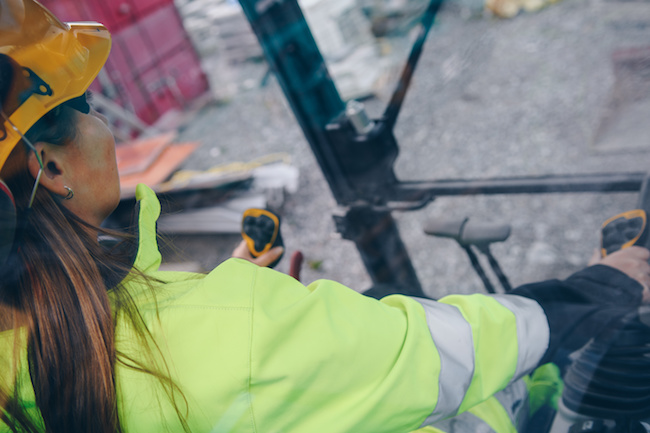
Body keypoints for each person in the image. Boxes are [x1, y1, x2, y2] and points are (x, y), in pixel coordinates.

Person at [1, 1, 649, 432]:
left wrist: (209, 295)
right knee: (506, 386)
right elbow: (443, 350)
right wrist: (600, 285)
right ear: (48, 167)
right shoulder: (229, 332)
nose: (98, 119)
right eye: (79, 101)